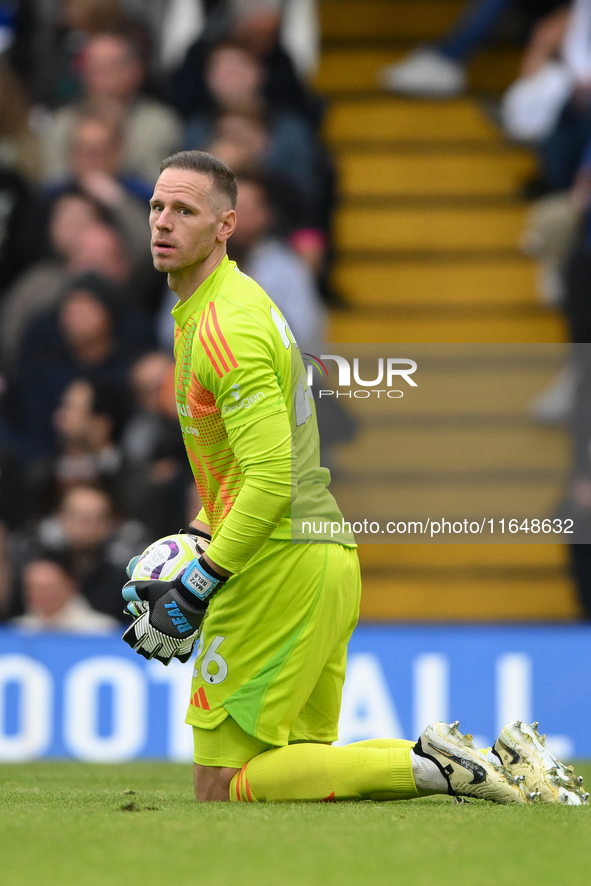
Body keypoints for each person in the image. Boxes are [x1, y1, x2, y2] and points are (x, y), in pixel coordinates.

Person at [120, 149, 587, 806]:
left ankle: (435, 767)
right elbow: (256, 467)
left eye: (184, 211)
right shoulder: (222, 307)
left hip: (276, 563)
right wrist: (196, 533)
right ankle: (490, 761)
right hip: (316, 556)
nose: (163, 223)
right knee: (301, 765)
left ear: (226, 224)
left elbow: (271, 481)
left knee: (220, 785)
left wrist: (198, 580)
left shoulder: (228, 326)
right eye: (157, 208)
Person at [11, 550, 118, 634]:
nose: (41, 594)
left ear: (72, 584)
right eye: (33, 587)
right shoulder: (16, 631)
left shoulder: (102, 630)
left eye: (49, 587)